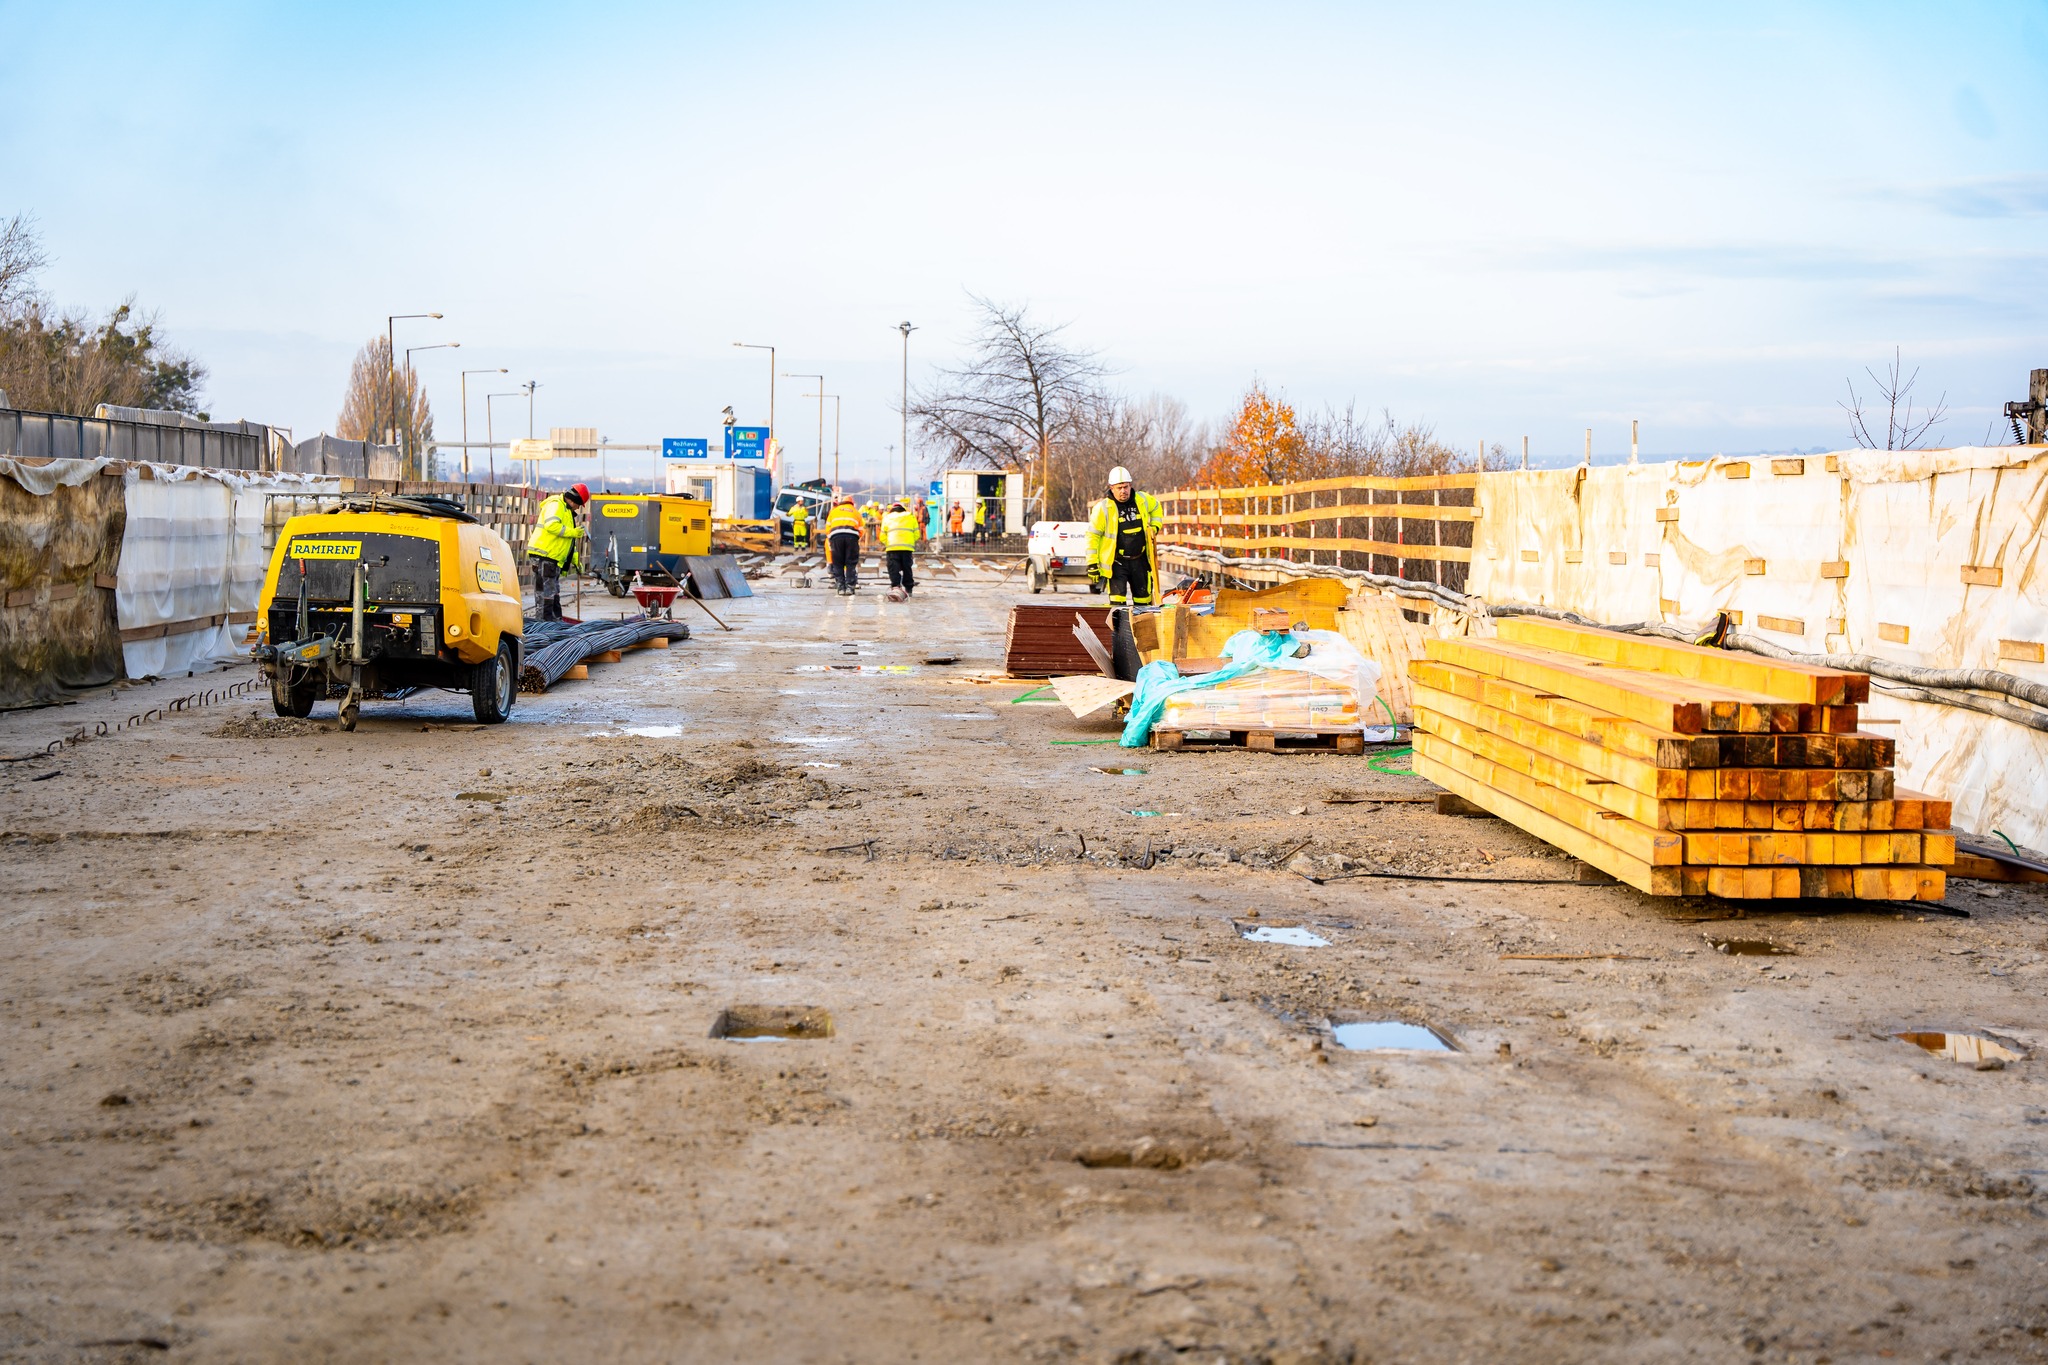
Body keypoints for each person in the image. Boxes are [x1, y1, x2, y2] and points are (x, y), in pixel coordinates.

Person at [1086, 465, 1164, 607]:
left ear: (1130, 486)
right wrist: (1092, 563)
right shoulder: (1103, 509)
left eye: (1126, 487)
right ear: (1111, 488)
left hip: (1140, 560)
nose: (1123, 491)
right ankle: (1119, 629)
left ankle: (1141, 628)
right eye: (1119, 488)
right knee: (1117, 605)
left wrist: (1155, 527)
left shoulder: (1142, 500)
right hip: (1117, 563)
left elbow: (1157, 508)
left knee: (1143, 603)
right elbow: (1092, 536)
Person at [527, 482, 589, 621]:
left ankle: (554, 623)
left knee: (553, 593)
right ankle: (545, 626)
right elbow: (551, 525)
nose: (578, 508)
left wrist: (574, 560)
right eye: (579, 504)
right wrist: (573, 532)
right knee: (546, 594)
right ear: (575, 500)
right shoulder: (556, 505)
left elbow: (567, 541)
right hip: (544, 554)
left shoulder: (567, 511)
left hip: (552, 557)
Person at [823, 494, 864, 594]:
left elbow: (828, 528)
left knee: (838, 562)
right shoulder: (855, 512)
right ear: (852, 503)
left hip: (836, 537)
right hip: (852, 537)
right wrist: (856, 539)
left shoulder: (834, 511)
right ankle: (850, 586)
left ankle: (841, 587)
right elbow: (862, 529)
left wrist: (832, 539)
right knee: (850, 563)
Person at [881, 499, 920, 596]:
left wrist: (888, 543)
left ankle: (896, 587)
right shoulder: (911, 517)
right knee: (907, 568)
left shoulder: (887, 518)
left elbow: (882, 536)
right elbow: (917, 534)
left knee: (893, 568)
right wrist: (909, 541)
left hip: (892, 548)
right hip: (907, 548)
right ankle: (909, 588)